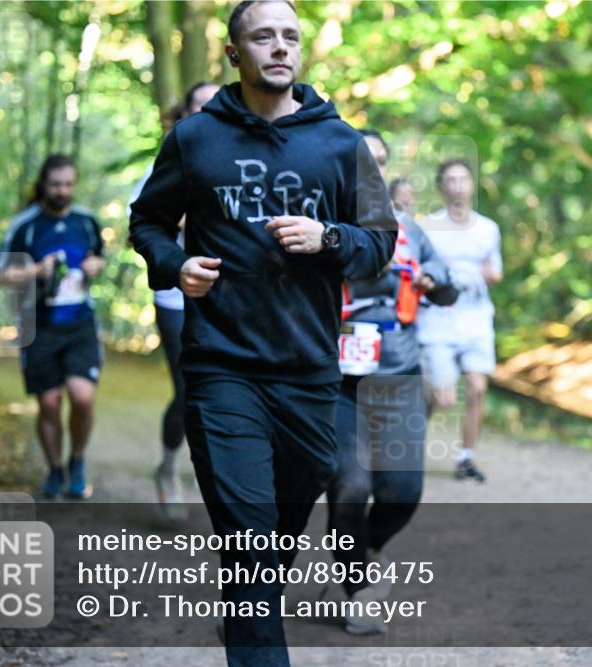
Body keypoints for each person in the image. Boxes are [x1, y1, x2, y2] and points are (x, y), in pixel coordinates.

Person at [129, 1, 396, 664]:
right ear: (234, 53)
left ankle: (249, 604)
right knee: (249, 541)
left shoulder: (340, 144)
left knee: (277, 530)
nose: (279, 47)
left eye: (289, 36)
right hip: (222, 367)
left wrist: (327, 236)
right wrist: (175, 264)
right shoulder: (196, 139)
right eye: (262, 36)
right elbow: (148, 222)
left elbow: (380, 242)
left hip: (308, 371)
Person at [327, 129, 458, 635]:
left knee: (402, 492)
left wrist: (434, 281)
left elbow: (448, 287)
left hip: (399, 378)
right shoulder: (321, 225)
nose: (373, 171)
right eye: (363, 161)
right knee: (350, 487)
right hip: (337, 386)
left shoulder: (409, 230)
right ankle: (358, 589)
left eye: (381, 161)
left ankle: (363, 548)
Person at [128, 80, 220, 520]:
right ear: (183, 114)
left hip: (230, 297)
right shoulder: (165, 165)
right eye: (200, 105)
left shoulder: (242, 159)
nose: (210, 112)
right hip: (176, 297)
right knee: (188, 387)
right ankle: (168, 469)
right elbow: (141, 230)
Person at [0, 154, 106, 500]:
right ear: (44, 184)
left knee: (82, 397)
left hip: (80, 322)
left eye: (69, 184)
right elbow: (0, 273)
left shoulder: (86, 221)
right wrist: (34, 270)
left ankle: (77, 460)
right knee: (49, 402)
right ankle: (55, 469)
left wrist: (95, 266)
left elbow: (100, 256)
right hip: (39, 325)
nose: (63, 190)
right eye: (56, 184)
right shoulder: (25, 225)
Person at [416, 158, 503, 482]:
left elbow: (496, 271)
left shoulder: (488, 229)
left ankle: (466, 458)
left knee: (478, 388)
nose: (457, 186)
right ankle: (412, 436)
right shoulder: (428, 228)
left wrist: (488, 274)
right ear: (441, 187)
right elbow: (416, 271)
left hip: (476, 319)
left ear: (472, 185)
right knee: (444, 399)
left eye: (463, 179)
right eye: (450, 180)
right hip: (438, 321)